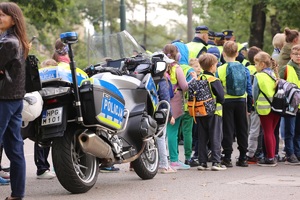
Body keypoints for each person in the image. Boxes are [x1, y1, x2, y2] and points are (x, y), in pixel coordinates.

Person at [0, 2, 30, 199]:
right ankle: (17, 194)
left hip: (3, 99)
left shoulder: (8, 42)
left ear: (13, 19)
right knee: (15, 148)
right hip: (14, 100)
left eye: (2, 15)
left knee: (15, 148)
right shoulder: (16, 40)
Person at [216, 41, 252, 168]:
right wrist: (250, 105)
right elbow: (249, 87)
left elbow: (217, 87)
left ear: (223, 54)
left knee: (228, 129)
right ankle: (243, 157)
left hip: (226, 102)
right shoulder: (245, 68)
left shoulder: (220, 69)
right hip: (241, 101)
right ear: (237, 53)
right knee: (242, 129)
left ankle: (227, 157)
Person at [196, 53, 226, 171]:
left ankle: (202, 162)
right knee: (215, 137)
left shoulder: (198, 79)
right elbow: (221, 98)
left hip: (200, 112)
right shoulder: (214, 80)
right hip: (214, 113)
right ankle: (216, 162)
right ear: (213, 66)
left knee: (202, 137)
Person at [163, 44, 191, 170]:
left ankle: (166, 158)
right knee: (173, 131)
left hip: (163, 101)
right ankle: (174, 159)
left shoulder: (161, 67)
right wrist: (192, 80)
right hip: (176, 101)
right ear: (177, 55)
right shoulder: (177, 68)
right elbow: (184, 86)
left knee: (167, 131)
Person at [172, 41, 199, 167]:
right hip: (189, 105)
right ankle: (188, 157)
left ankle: (174, 157)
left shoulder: (172, 68)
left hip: (175, 104)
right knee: (188, 131)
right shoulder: (189, 70)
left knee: (174, 131)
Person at [253, 51, 281, 166]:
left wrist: (254, 105)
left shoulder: (259, 76)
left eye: (256, 63)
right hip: (277, 108)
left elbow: (255, 93)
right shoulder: (275, 74)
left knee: (267, 133)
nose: (254, 66)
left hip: (265, 108)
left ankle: (269, 158)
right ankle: (273, 155)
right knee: (272, 133)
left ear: (262, 64)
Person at [278, 44, 300, 165]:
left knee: (298, 132)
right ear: (291, 55)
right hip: (290, 105)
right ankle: (290, 153)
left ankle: (298, 152)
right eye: (296, 54)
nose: (298, 56)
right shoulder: (286, 68)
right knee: (289, 131)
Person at [156, 56, 176, 174]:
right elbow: (165, 99)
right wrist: (170, 115)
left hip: (150, 111)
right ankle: (164, 165)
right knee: (161, 137)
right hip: (160, 112)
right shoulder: (163, 80)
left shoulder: (151, 78)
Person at [246, 46, 263, 163]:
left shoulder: (246, 68)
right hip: (258, 104)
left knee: (251, 129)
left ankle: (251, 152)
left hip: (247, 103)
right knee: (257, 130)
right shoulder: (259, 71)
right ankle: (254, 153)